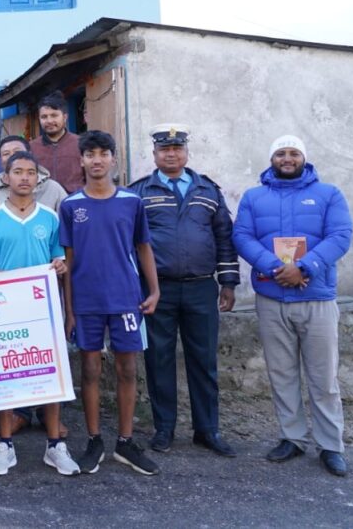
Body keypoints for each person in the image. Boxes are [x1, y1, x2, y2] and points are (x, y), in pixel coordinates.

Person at [233, 135, 353, 477]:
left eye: (294, 153)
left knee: (323, 377)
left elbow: (340, 235)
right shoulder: (254, 197)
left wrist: (304, 267)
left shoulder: (329, 194)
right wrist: (277, 268)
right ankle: (292, 437)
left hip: (316, 297)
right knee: (282, 373)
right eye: (281, 153)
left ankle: (331, 445)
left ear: (304, 158)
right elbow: (242, 236)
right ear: (272, 158)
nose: (287, 158)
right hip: (272, 298)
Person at [129, 124, 240, 457]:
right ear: (154, 155)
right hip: (157, 290)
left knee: (204, 360)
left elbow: (224, 237)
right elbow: (129, 243)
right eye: (165, 149)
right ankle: (164, 428)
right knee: (158, 359)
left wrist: (228, 282)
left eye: (177, 148)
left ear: (187, 152)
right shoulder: (139, 193)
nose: (171, 154)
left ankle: (207, 429)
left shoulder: (208, 190)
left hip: (201, 288)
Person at [59, 131, 161, 476]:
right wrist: (69, 310)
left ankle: (126, 442)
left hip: (125, 299)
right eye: (90, 154)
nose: (97, 160)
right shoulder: (71, 206)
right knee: (89, 370)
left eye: (103, 153)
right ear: (82, 160)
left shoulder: (132, 202)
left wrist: (154, 291)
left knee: (127, 369)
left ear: (113, 159)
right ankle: (94, 440)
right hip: (86, 301)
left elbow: (143, 247)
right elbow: (69, 261)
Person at [0, 151, 79, 477]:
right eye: (17, 172)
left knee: (50, 374)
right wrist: (6, 279)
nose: (24, 177)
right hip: (5, 310)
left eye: (30, 172)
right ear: (6, 178)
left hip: (42, 310)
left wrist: (59, 267)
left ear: (38, 179)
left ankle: (54, 446)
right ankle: (5, 445)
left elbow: (59, 261)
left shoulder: (50, 218)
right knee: (6, 375)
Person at [0, 135, 67, 214]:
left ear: (29, 154)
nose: (12, 157)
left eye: (17, 151)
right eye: (6, 154)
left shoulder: (53, 189)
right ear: (0, 159)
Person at [29, 91, 84, 193]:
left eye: (54, 115)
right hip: (42, 201)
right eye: (44, 117)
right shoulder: (31, 148)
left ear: (65, 117)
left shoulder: (81, 144)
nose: (49, 121)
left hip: (74, 200)